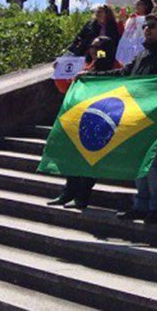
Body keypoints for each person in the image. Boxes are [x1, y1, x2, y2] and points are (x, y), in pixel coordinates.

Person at [95, 13, 157, 223]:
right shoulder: (142, 54)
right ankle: (140, 205)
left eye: (152, 26)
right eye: (146, 26)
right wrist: (90, 77)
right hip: (137, 115)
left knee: (154, 163)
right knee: (138, 161)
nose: (147, 29)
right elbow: (123, 73)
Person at [46, 36, 120, 209]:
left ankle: (82, 196)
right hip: (80, 117)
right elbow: (67, 89)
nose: (93, 50)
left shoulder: (114, 66)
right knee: (73, 158)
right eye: (92, 46)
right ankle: (68, 193)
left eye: (97, 47)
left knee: (89, 160)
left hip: (100, 118)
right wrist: (59, 74)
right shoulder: (88, 65)